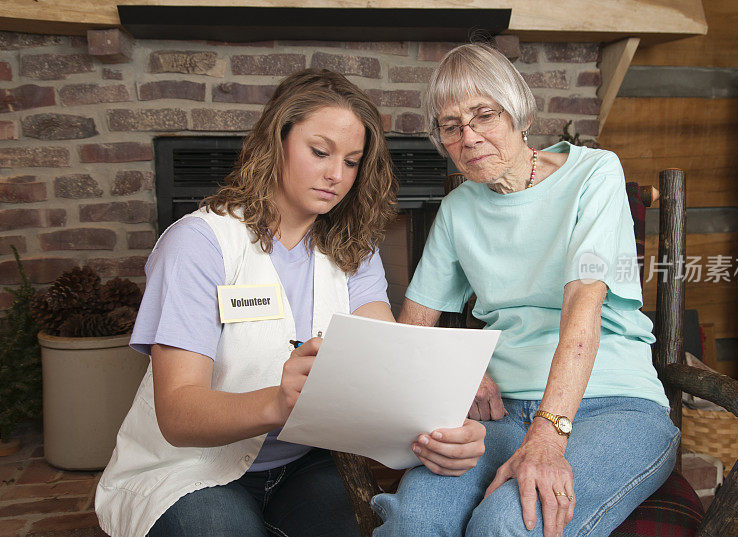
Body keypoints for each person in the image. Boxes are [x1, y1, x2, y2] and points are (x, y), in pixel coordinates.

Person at [95, 68, 484, 537]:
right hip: (189, 470)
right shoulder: (199, 244)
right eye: (319, 152)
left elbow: (389, 373)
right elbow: (178, 414)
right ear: (276, 140)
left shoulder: (353, 252)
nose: (335, 175)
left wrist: (451, 432)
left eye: (352, 161)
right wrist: (279, 402)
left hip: (304, 463)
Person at [372, 44, 680, 537]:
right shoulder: (458, 209)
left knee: (506, 525)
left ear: (518, 111)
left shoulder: (594, 174)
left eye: (483, 116)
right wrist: (459, 375)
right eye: (451, 127)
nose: (469, 137)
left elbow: (583, 305)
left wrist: (549, 432)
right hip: (501, 414)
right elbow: (414, 327)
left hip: (614, 405)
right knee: (415, 521)